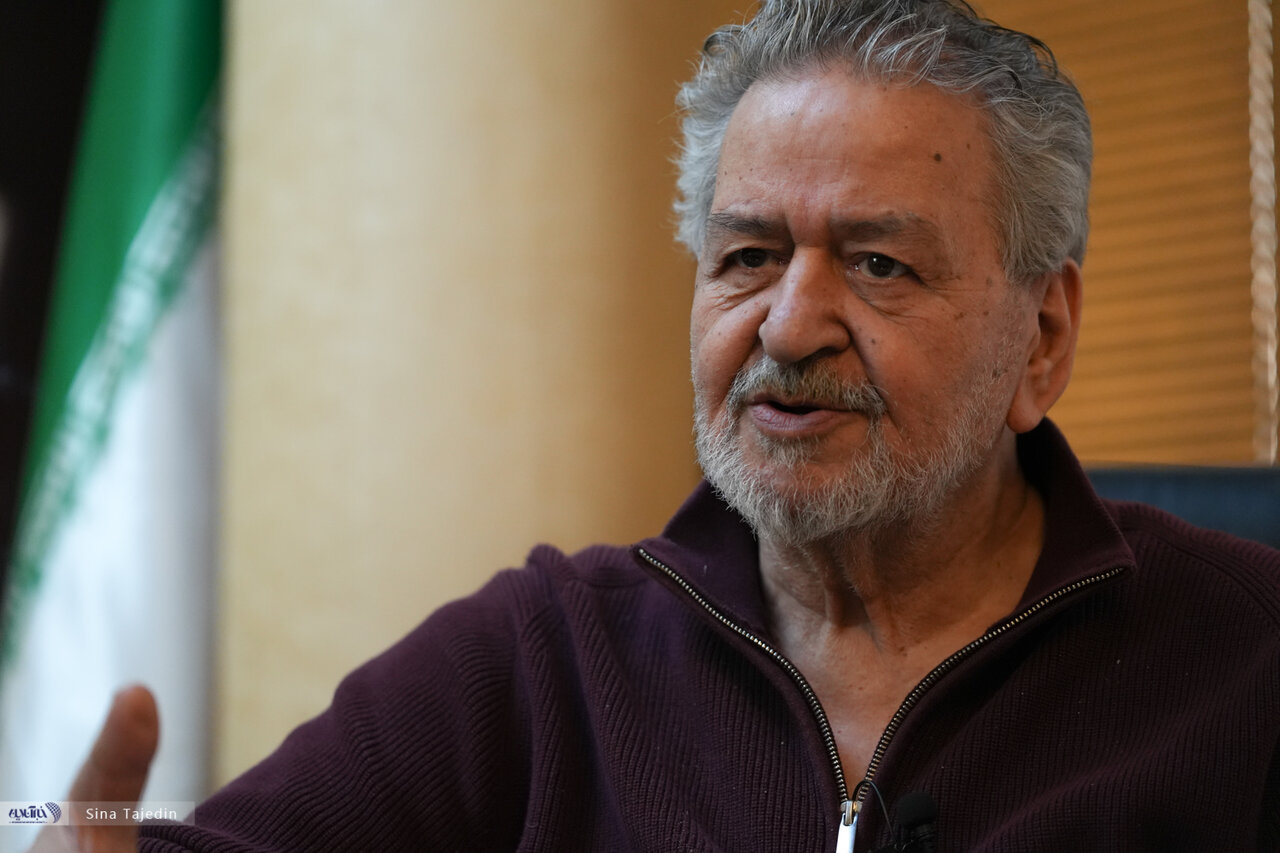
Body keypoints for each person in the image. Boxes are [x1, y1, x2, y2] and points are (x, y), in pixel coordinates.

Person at [36, 0, 1280, 850]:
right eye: (746, 256)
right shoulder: (544, 657)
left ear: (1041, 339)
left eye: (878, 264)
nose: (787, 324)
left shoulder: (1245, 664)